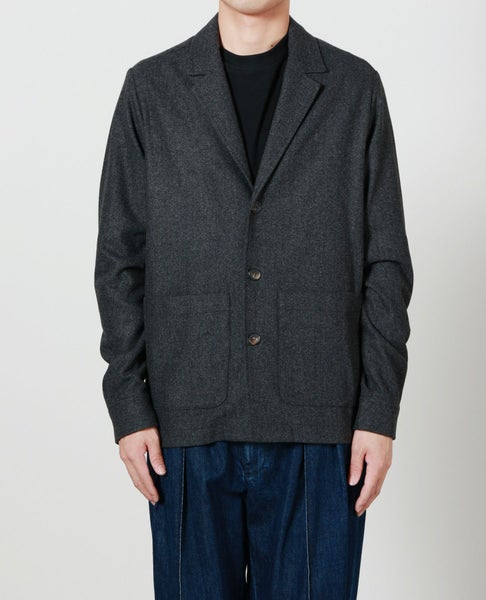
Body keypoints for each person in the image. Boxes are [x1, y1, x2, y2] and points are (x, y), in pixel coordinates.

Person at [94, 1, 413, 598]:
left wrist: (377, 412)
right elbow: (120, 259)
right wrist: (129, 407)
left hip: (321, 419)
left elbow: (387, 262)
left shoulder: (354, 88)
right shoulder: (151, 90)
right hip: (186, 419)